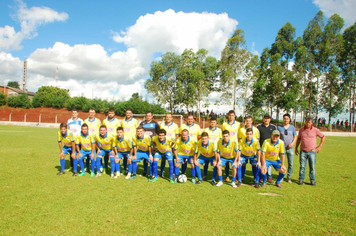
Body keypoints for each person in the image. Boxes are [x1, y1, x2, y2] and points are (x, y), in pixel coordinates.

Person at [295, 117, 325, 186]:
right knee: (302, 166)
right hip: (303, 151)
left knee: (312, 167)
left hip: (312, 151)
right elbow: (299, 139)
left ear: (311, 123)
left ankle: (312, 180)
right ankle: (301, 179)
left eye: (309, 122)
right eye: (306, 122)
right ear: (305, 122)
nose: (308, 124)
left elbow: (323, 137)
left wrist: (319, 147)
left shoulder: (315, 130)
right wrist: (296, 148)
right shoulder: (301, 130)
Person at [239, 116, 260, 182]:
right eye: (247, 121)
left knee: (254, 165)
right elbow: (239, 139)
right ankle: (241, 177)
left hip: (252, 152)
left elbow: (257, 140)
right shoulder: (241, 129)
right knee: (242, 164)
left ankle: (255, 178)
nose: (248, 122)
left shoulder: (256, 130)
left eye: (249, 120)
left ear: (252, 121)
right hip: (244, 152)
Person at [278, 114, 297, 183]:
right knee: (281, 163)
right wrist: (281, 142)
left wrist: (292, 143)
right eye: (284, 118)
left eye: (287, 118)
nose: (286, 120)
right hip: (282, 148)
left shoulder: (292, 127)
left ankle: (289, 177)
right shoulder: (279, 127)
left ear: (289, 119)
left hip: (290, 147)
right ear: (283, 119)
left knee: (290, 163)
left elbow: (295, 137)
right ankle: (281, 176)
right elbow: (278, 137)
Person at [221, 110, 240, 181]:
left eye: (232, 115)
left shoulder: (238, 124)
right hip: (226, 145)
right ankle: (227, 176)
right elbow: (223, 134)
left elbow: (239, 135)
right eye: (229, 115)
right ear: (228, 116)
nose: (231, 116)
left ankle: (236, 177)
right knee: (227, 161)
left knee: (235, 160)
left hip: (234, 145)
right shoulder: (224, 124)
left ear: (234, 116)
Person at [257, 114, 276, 183]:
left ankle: (269, 176)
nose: (266, 120)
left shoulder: (273, 127)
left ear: (270, 119)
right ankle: (261, 176)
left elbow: (275, 137)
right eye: (265, 118)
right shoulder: (259, 127)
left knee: (269, 163)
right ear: (263, 119)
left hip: (270, 148)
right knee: (262, 163)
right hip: (261, 148)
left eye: (268, 118)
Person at [140, 111, 160, 176]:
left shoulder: (155, 124)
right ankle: (145, 172)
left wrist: (156, 143)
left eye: (149, 116)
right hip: (144, 143)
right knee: (145, 158)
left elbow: (158, 133)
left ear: (152, 116)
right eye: (147, 115)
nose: (148, 117)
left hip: (153, 143)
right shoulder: (142, 123)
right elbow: (139, 132)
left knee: (153, 158)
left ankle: (153, 172)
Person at [102, 108, 121, 172]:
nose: (110, 114)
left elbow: (119, 130)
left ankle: (116, 167)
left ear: (114, 114)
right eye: (109, 113)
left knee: (116, 153)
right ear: (108, 113)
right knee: (106, 154)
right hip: (106, 140)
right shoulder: (104, 121)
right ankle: (106, 167)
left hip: (114, 140)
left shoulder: (117, 121)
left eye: (112, 113)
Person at [121, 109, 138, 174]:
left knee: (132, 156)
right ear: (125, 113)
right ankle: (125, 169)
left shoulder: (135, 121)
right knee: (125, 156)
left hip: (132, 141)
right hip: (125, 142)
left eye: (129, 113)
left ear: (132, 114)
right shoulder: (123, 121)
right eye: (127, 113)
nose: (128, 114)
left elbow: (137, 130)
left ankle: (132, 171)